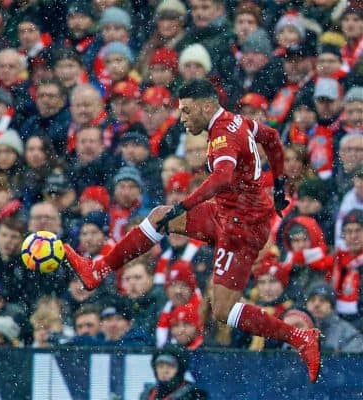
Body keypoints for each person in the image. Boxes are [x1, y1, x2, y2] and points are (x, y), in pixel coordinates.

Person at [64, 79, 321, 382]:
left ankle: (300, 337)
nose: (182, 119)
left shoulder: (223, 134)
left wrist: (185, 205)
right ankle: (99, 269)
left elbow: (223, 177)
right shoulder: (236, 121)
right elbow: (272, 137)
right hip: (230, 213)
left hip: (240, 228)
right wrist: (278, 184)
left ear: (206, 106)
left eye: (186, 111)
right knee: (160, 216)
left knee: (224, 309)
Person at [139, 344, 207, 400]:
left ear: (179, 370)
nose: (164, 371)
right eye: (160, 366)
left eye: (170, 367)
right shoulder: (147, 394)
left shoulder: (194, 395)